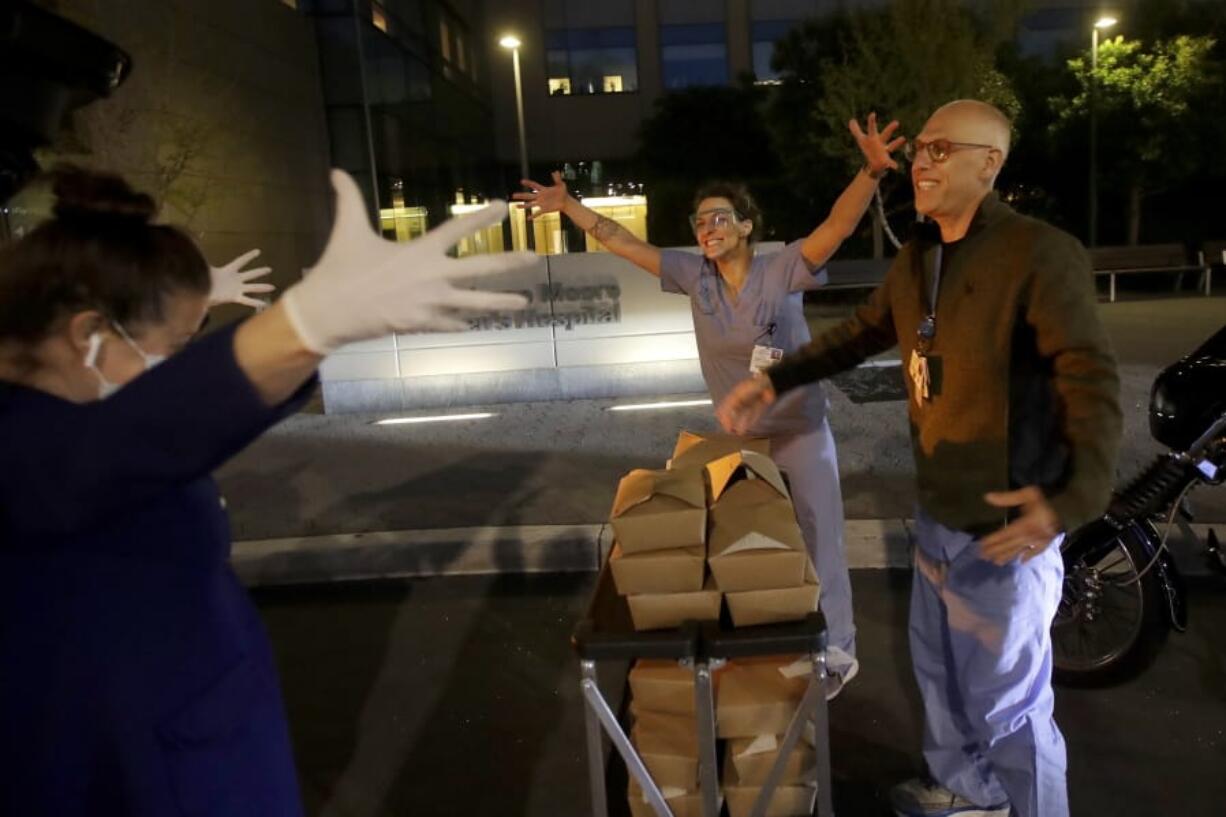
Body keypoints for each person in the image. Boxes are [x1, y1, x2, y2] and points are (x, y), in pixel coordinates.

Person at [0, 166, 530, 816]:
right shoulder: (31, 449)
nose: (176, 366)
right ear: (86, 334)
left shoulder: (83, 417)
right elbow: (138, 438)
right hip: (153, 781)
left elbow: (158, 419)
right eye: (175, 347)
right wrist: (304, 322)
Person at [717, 99, 1122, 817]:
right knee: (938, 675)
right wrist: (774, 378)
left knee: (1010, 708)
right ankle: (967, 793)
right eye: (922, 149)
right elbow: (859, 334)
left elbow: (1088, 380)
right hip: (938, 514)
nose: (922, 161)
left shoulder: (1039, 252)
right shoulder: (920, 255)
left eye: (941, 149)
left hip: (1007, 527)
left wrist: (1070, 498)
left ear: (989, 164)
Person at [516, 114, 905, 698]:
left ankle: (838, 650)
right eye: (700, 220)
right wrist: (568, 206)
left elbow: (837, 226)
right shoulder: (692, 276)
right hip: (742, 440)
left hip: (798, 431)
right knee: (741, 542)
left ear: (746, 226)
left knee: (819, 538)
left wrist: (871, 172)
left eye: (721, 217)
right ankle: (757, 640)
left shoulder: (781, 269)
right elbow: (622, 242)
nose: (708, 227)